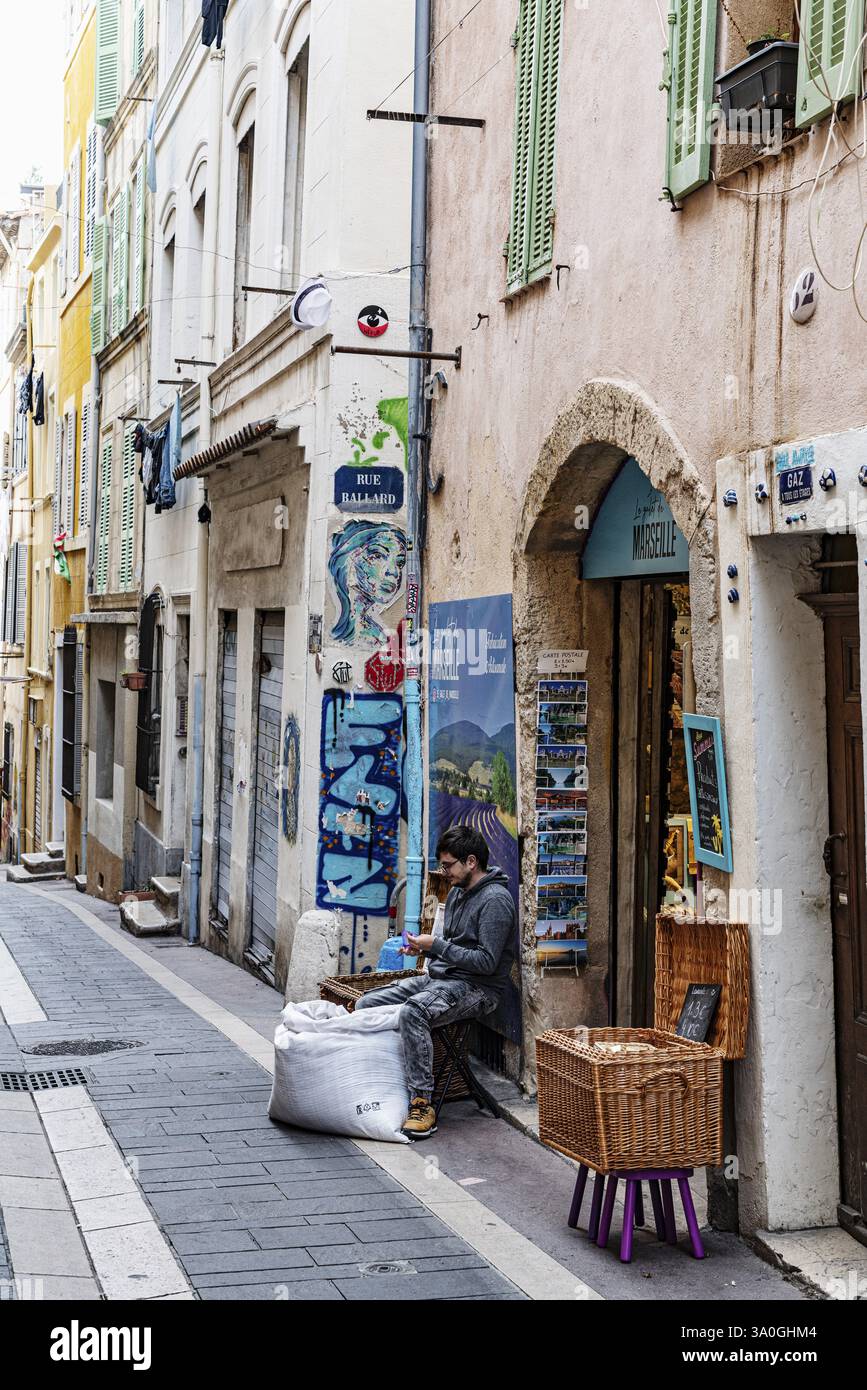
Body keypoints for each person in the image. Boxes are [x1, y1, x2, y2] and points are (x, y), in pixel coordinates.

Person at [355, 824, 516, 1139]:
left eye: (448, 865)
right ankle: (376, 1082)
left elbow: (486, 962)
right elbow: (451, 944)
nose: (445, 872)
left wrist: (436, 947)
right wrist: (421, 947)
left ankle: (421, 1102)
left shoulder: (496, 900)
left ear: (471, 861)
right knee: (366, 1002)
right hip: (442, 978)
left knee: (414, 1011)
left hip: (478, 989)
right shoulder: (456, 892)